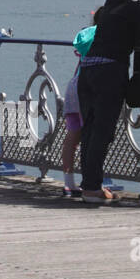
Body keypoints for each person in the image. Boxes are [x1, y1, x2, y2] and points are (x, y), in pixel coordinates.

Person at [77, 0, 140, 204]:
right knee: (103, 130)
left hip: (88, 67)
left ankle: (89, 185)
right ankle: (92, 188)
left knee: (90, 129)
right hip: (110, 70)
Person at [60, 24, 95, 198]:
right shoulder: (101, 39)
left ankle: (68, 182)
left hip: (73, 87)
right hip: (87, 89)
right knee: (91, 136)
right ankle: (92, 180)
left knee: (72, 137)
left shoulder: (84, 45)